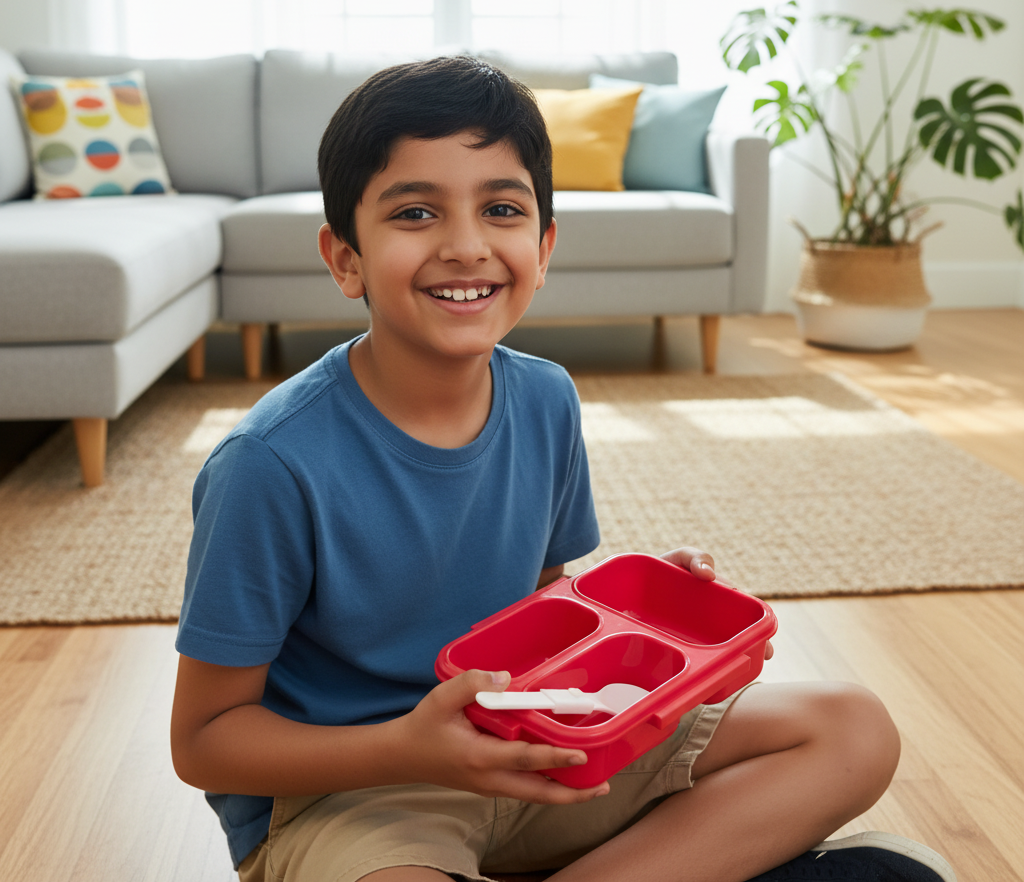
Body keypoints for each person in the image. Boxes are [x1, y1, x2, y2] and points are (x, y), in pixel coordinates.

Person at [171, 56, 956, 882]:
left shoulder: (546, 398)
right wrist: (411, 747)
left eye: (501, 209)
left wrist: (652, 624)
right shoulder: (269, 464)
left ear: (542, 247)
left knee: (853, 728)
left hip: (541, 749)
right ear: (345, 259)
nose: (466, 245)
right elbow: (205, 743)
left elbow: (547, 610)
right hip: (359, 792)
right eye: (414, 213)